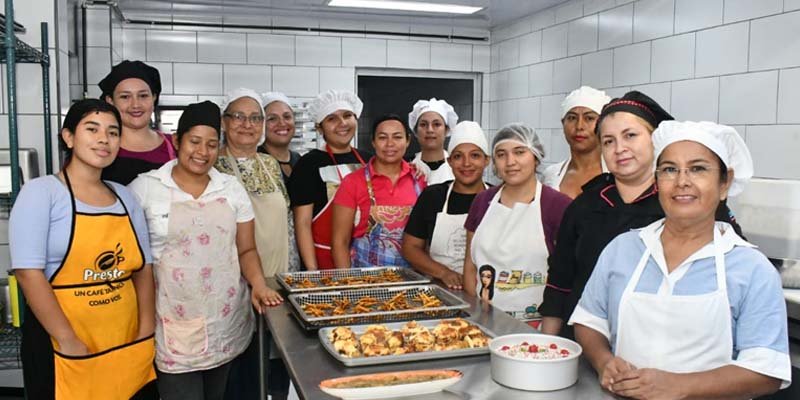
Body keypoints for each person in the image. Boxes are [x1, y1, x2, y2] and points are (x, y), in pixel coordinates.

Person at [569, 121, 790, 398]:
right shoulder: (623, 249)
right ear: (656, 181)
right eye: (670, 170)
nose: (682, 181)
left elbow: (765, 371)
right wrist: (604, 362)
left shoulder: (752, 268)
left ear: (725, 183)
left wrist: (678, 387)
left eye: (698, 169)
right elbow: (590, 321)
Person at [539, 91, 743, 338]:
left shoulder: (685, 202)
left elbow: (734, 269)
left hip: (669, 344)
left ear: (654, 140)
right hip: (584, 343)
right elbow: (560, 281)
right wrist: (548, 344)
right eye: (608, 141)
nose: (619, 149)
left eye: (630, 136)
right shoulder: (585, 205)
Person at [128, 101, 282, 400]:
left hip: (224, 319)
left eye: (212, 144)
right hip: (172, 322)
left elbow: (247, 249)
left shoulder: (230, 188)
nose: (203, 152)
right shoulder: (145, 189)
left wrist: (259, 284)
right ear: (176, 141)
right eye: (195, 142)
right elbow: (136, 263)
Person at [10, 99, 157, 399]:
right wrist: (67, 340)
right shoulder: (42, 193)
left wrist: (145, 329)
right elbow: (28, 273)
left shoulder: (125, 197)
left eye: (113, 132)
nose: (104, 139)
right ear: (68, 137)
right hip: (64, 345)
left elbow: (144, 269)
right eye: (92, 129)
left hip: (125, 340)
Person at [213, 89, 295, 400]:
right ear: (224, 121)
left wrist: (291, 277)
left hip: (275, 280)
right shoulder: (213, 165)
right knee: (240, 372)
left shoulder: (270, 164)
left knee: (273, 369)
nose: (248, 124)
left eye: (255, 118)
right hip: (233, 283)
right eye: (239, 117)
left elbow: (286, 224)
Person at [462, 123, 571, 323]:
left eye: (519, 152)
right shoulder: (482, 202)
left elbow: (565, 277)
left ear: (536, 157)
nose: (510, 161)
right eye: (502, 154)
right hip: (485, 322)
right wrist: (480, 315)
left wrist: (548, 333)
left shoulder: (558, 205)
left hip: (536, 326)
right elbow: (470, 267)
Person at [289, 90, 372, 270]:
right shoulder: (309, 164)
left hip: (365, 256)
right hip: (324, 260)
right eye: (332, 119)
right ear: (320, 127)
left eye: (347, 115)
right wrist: (312, 271)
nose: (342, 123)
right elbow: (302, 224)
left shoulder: (368, 160)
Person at [402, 121, 490, 289]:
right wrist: (444, 273)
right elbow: (410, 247)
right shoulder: (433, 196)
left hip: (488, 289)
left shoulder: (497, 198)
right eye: (458, 156)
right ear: (449, 161)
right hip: (440, 291)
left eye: (475, 155)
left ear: (487, 160)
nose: (466, 163)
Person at [331, 114, 425, 268]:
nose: (390, 144)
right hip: (365, 281)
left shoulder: (420, 180)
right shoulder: (352, 182)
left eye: (397, 137)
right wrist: (348, 285)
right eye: (382, 137)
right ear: (373, 142)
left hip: (413, 279)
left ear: (407, 141)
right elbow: (340, 242)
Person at [100, 60, 175, 185]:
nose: (135, 105)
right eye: (125, 97)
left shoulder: (176, 145)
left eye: (143, 96)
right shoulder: (99, 147)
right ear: (110, 101)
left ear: (154, 98)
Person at [542, 86, 610, 198]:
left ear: (604, 124)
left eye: (589, 118)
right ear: (563, 123)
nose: (579, 126)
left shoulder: (618, 174)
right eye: (572, 118)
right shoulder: (550, 176)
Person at [408, 98, 459, 184]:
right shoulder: (406, 169)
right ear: (416, 131)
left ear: (446, 130)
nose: (430, 130)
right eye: (423, 124)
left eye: (436, 124)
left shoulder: (458, 169)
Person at [259, 91, 301, 185]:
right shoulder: (256, 161)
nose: (282, 123)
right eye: (272, 119)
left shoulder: (299, 160)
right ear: (261, 124)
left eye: (287, 117)